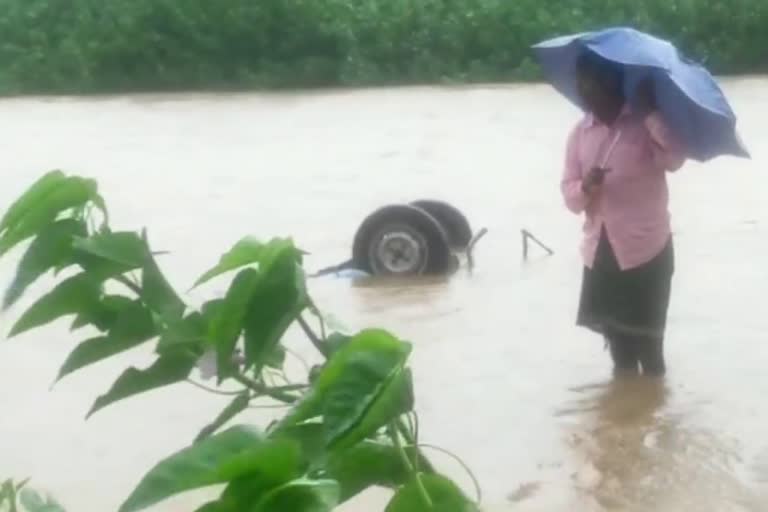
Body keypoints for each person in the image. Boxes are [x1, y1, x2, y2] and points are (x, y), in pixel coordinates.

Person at [561, 51, 687, 377]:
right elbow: (571, 200)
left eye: (592, 84)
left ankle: (649, 412)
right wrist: (587, 187)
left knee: (651, 353)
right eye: (581, 85)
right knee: (620, 355)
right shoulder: (580, 133)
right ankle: (624, 420)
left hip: (648, 250)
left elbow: (674, 159)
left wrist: (650, 112)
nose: (585, 92)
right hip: (602, 253)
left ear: (614, 84)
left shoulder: (644, 125)